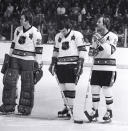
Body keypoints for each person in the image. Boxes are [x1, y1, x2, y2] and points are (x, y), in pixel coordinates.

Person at [0, 10, 43, 115]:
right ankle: (8, 106)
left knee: (27, 85)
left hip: (28, 60)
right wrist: (9, 57)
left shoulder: (36, 33)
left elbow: (39, 49)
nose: (20, 20)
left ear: (27, 20)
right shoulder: (17, 30)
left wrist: (38, 63)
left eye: (22, 18)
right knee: (9, 82)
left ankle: (25, 108)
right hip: (15, 58)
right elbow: (13, 44)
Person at [49, 15, 87, 120]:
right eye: (60, 30)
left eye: (64, 29)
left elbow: (82, 49)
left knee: (70, 86)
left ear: (68, 26)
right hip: (60, 65)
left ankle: (71, 108)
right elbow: (56, 50)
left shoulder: (77, 35)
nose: (62, 32)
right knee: (63, 87)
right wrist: (53, 63)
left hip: (72, 65)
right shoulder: (58, 36)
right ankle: (66, 107)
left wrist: (80, 63)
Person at [84, 16, 118, 122]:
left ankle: (109, 111)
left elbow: (109, 52)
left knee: (107, 89)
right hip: (97, 67)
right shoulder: (95, 37)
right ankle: (95, 111)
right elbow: (91, 53)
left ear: (105, 24)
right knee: (95, 88)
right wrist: (93, 50)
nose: (97, 23)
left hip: (108, 68)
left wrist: (101, 40)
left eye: (99, 22)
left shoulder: (113, 36)